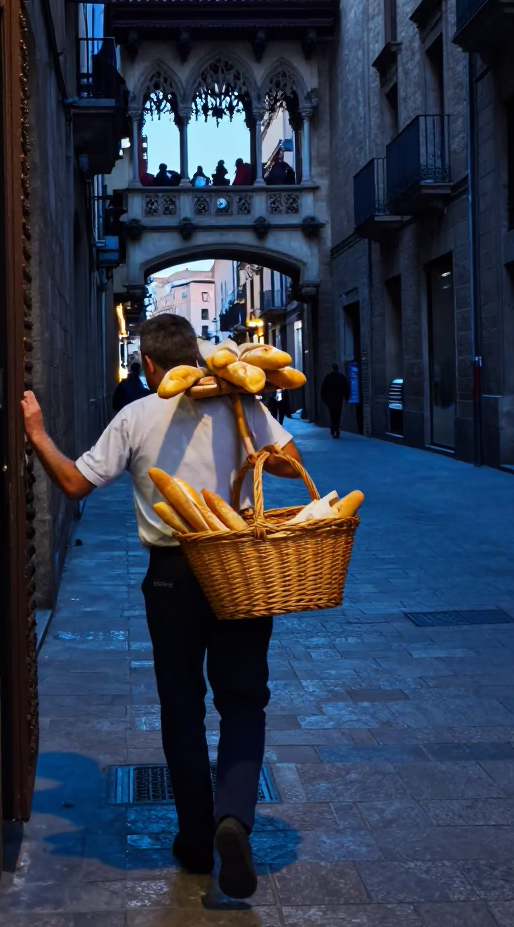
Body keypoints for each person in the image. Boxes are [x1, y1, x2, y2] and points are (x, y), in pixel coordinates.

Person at [21, 314, 304, 899]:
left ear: (149, 365)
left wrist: (38, 433)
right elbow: (287, 459)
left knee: (181, 707)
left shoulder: (135, 415)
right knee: (244, 700)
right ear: (196, 358)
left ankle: (198, 839)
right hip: (240, 570)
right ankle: (234, 814)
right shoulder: (237, 404)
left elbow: (76, 485)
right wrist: (249, 415)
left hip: (172, 578)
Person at [321, 362, 350, 439]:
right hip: (339, 399)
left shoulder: (329, 377)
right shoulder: (341, 377)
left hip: (331, 400)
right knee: (338, 414)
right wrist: (346, 397)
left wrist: (325, 399)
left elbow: (323, 389)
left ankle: (333, 429)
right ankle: (336, 429)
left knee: (332, 415)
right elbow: (346, 388)